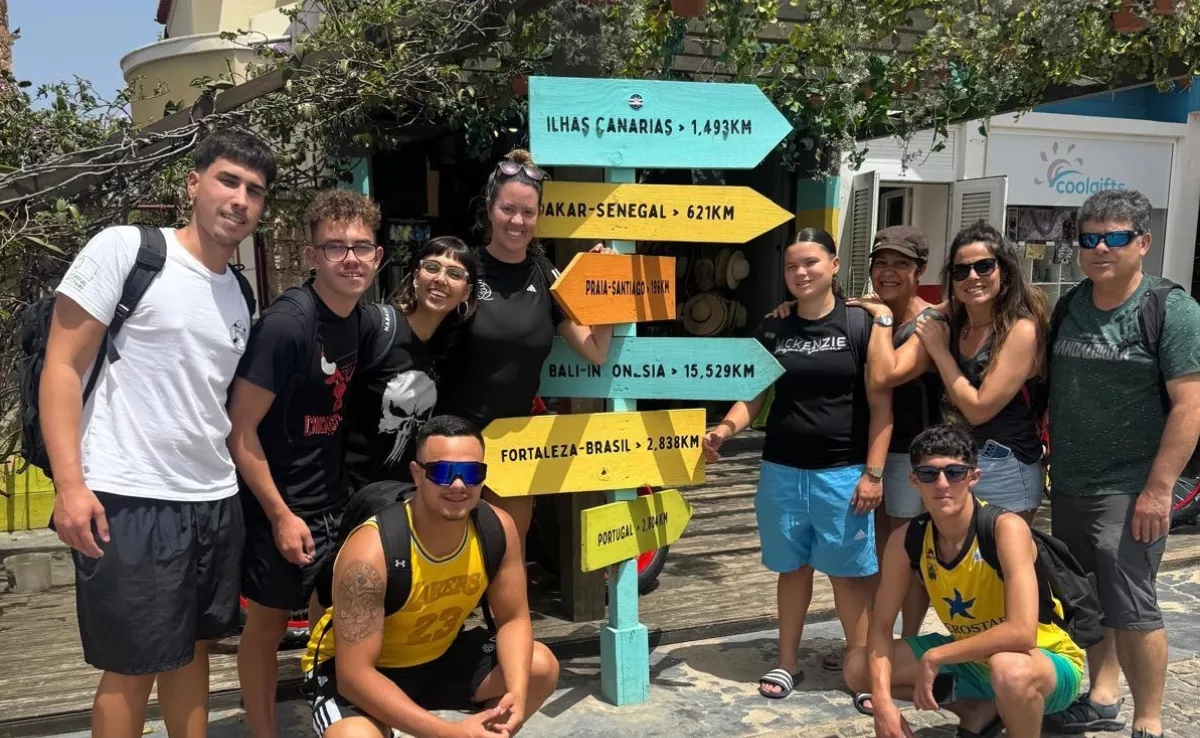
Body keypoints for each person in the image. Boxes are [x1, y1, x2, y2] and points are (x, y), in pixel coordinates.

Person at [42, 128, 275, 738]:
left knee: (192, 649)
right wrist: (71, 486)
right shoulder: (128, 251)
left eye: (254, 190)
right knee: (132, 668)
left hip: (211, 498)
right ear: (193, 184)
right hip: (130, 497)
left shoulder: (239, 293)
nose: (240, 199)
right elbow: (61, 367)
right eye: (228, 180)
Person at [703, 227, 893, 700]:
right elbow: (756, 393)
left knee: (848, 577)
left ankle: (861, 669)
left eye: (810, 262)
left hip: (843, 474)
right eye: (791, 266)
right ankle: (787, 663)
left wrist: (873, 473)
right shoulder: (774, 326)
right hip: (782, 471)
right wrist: (725, 429)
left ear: (832, 265)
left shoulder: (859, 324)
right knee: (792, 570)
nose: (801, 272)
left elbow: (882, 406)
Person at [1042, 189, 1200, 738]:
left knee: (1132, 604)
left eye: (1115, 238)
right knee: (1088, 594)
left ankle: (1150, 721)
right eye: (1090, 239)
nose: (1101, 248)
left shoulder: (1169, 308)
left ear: (1143, 243)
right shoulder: (1072, 304)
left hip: (1132, 488)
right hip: (1069, 483)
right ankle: (1102, 696)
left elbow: (1190, 403)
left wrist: (1159, 491)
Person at [230, 189, 384, 738]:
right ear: (312, 257)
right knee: (267, 628)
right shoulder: (287, 325)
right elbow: (239, 429)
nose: (350, 258)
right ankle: (264, 732)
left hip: (335, 503)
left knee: (338, 624)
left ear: (378, 256)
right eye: (335, 246)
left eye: (361, 247)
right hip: (280, 505)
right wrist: (278, 514)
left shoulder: (362, 322)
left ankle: (338, 721)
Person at [301, 415, 560, 738]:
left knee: (538, 666)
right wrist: (447, 732)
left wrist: (516, 698)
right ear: (416, 474)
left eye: (471, 473)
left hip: (439, 656)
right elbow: (354, 676)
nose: (457, 485)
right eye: (441, 472)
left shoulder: (497, 528)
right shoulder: (372, 552)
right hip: (365, 672)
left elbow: (513, 619)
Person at [844, 423, 1084, 738]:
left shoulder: (1004, 529)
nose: (942, 484)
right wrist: (883, 702)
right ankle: (976, 709)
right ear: (914, 481)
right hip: (972, 660)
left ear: (974, 477)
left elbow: (1022, 633)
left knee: (1008, 670)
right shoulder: (907, 540)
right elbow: (880, 627)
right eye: (929, 474)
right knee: (857, 667)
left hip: (1044, 661)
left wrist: (936, 655)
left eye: (954, 473)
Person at [435, 148, 613, 547]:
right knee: (449, 563)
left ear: (538, 216)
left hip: (516, 444)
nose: (517, 221)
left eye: (527, 212)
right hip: (456, 442)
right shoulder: (462, 269)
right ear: (490, 208)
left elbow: (596, 349)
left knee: (506, 557)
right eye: (508, 209)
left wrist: (606, 281)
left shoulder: (547, 277)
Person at [911, 221, 1048, 520]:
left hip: (1004, 467)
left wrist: (939, 352)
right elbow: (922, 312)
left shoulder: (1020, 330)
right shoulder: (958, 320)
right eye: (961, 271)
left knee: (1001, 563)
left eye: (984, 266)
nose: (972, 276)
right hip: (955, 464)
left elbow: (978, 409)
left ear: (1004, 271)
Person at [846, 226, 944, 638]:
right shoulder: (870, 313)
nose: (888, 272)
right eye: (880, 262)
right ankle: (876, 640)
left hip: (911, 454)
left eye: (900, 263)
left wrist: (882, 317)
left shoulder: (930, 322)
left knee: (907, 556)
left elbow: (886, 374)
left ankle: (907, 642)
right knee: (875, 555)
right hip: (870, 450)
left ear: (920, 270)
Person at [344, 236, 479, 490]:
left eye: (454, 273)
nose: (440, 279)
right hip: (356, 498)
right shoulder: (376, 326)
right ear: (416, 275)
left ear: (466, 292)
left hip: (412, 500)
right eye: (432, 267)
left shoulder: (454, 353)